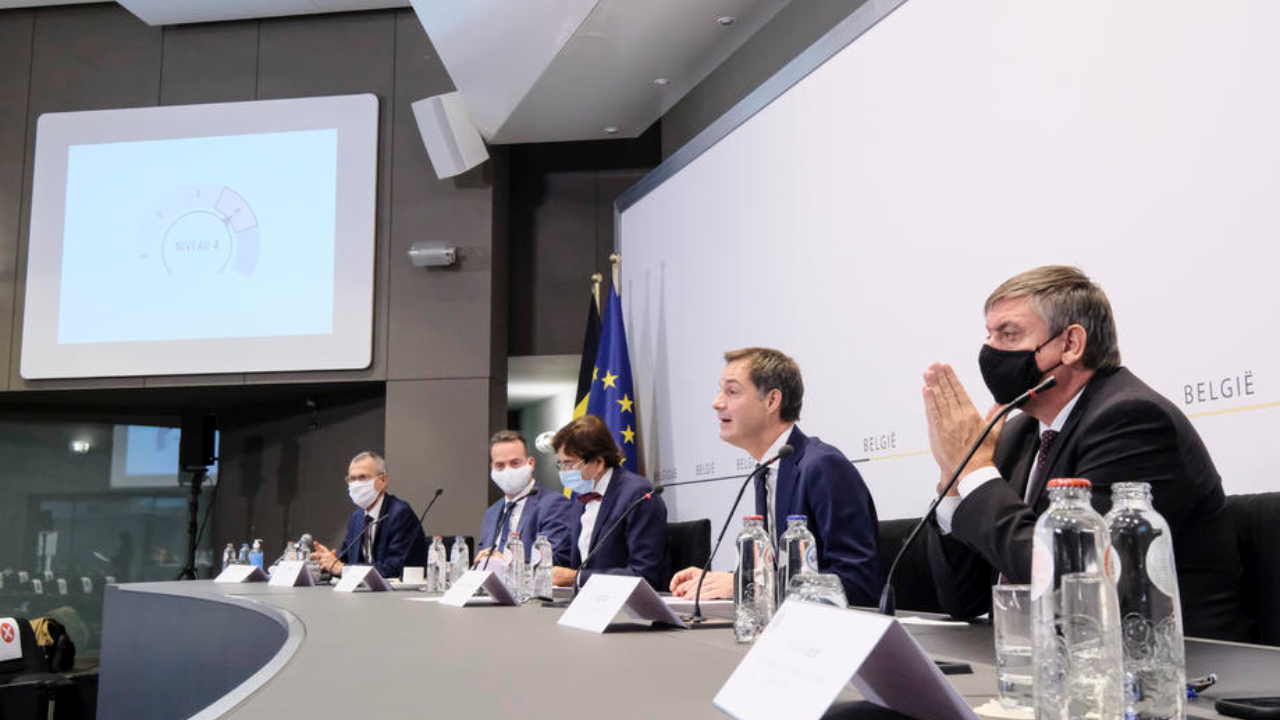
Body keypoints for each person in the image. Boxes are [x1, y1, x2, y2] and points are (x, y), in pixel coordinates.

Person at [921, 265, 1246, 640]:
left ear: (1071, 344)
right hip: (1056, 654)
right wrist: (954, 478)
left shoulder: (1131, 420)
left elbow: (1074, 581)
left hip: (1172, 661)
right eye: (989, 335)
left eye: (1008, 335)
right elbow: (964, 600)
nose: (991, 351)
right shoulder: (1017, 434)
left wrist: (977, 471)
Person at [669, 347, 881, 606]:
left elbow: (858, 583)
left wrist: (744, 585)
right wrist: (723, 580)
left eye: (732, 391)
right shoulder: (768, 470)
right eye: (720, 390)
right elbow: (781, 573)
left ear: (771, 401)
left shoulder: (822, 466)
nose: (717, 402)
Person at [550, 415, 667, 590]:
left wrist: (576, 578)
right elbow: (566, 557)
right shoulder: (582, 499)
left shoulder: (637, 495)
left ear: (598, 462)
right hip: (585, 600)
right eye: (561, 464)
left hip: (626, 603)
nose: (564, 472)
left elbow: (644, 574)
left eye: (569, 464)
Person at [311, 451, 428, 580]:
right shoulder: (357, 518)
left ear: (383, 480)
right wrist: (326, 562)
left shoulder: (399, 513)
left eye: (362, 477)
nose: (356, 484)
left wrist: (342, 568)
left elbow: (394, 568)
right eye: (352, 479)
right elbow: (344, 561)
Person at [476, 429, 574, 566]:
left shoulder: (555, 504)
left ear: (531, 463)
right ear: (492, 468)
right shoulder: (491, 512)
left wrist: (505, 562)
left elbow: (553, 558)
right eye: (500, 465)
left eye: (515, 463)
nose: (507, 470)